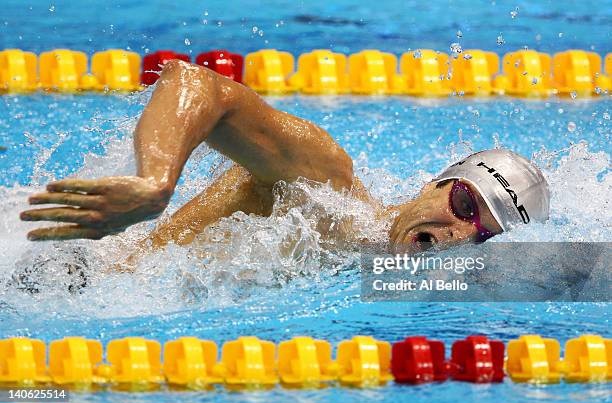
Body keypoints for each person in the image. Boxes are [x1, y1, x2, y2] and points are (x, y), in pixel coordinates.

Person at [19, 60, 550, 255]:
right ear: (437, 183)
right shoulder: (326, 187)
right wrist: (156, 182)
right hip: (71, 257)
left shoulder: (366, 266)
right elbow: (198, 85)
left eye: (484, 234)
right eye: (464, 203)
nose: (461, 232)